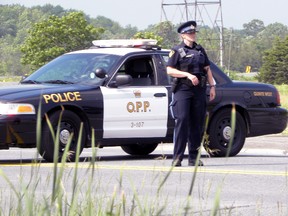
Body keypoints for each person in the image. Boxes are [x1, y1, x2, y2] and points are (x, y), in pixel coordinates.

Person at [167, 20, 216, 167]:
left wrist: (212, 86)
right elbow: (169, 70)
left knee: (197, 123)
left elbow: (207, 69)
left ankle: (194, 158)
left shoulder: (200, 50)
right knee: (182, 120)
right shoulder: (176, 51)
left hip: (199, 90)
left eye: (194, 32)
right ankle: (177, 157)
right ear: (183, 35)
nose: (193, 35)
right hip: (183, 89)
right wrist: (187, 75)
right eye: (189, 33)